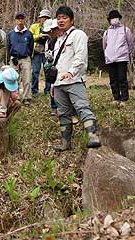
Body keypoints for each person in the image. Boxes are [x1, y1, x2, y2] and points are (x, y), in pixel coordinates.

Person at [51, 6, 101, 151]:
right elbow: (57, 64)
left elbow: (80, 57)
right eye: (59, 18)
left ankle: (93, 136)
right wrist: (53, 85)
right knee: (63, 113)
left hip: (74, 81)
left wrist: (72, 72)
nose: (61, 20)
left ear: (71, 21)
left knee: (82, 107)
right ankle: (65, 142)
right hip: (59, 82)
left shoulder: (78, 34)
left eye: (64, 18)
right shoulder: (59, 39)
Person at [103, 10, 134, 106]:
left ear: (119, 18)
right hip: (110, 59)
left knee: (122, 78)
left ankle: (124, 99)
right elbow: (104, 45)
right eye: (112, 18)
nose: (114, 19)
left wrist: (125, 53)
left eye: (115, 17)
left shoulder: (125, 30)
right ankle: (116, 98)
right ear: (109, 20)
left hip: (122, 59)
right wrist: (107, 54)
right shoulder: (107, 32)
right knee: (113, 80)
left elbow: (131, 44)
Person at [7, 12, 34, 107]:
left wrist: (28, 56)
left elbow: (31, 48)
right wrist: (11, 57)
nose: (20, 21)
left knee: (27, 79)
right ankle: (15, 97)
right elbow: (8, 47)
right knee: (14, 79)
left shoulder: (29, 34)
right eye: (18, 19)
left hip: (25, 58)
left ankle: (27, 98)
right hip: (14, 59)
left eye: (22, 19)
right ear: (15, 21)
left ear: (24, 20)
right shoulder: (11, 34)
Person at [30, 9, 51, 97]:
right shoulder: (34, 27)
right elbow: (29, 37)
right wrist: (39, 36)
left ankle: (48, 90)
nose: (44, 20)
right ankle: (34, 91)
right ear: (40, 19)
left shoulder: (51, 27)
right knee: (35, 72)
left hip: (47, 52)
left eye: (46, 18)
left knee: (48, 71)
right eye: (43, 18)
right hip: (36, 52)